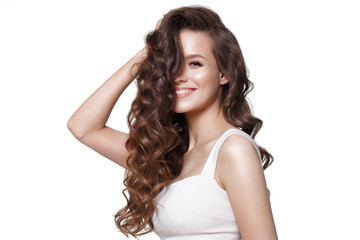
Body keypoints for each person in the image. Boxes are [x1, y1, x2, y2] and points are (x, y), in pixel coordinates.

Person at [67, 5, 278, 240]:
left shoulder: (233, 149)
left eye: (195, 63)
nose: (178, 75)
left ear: (224, 74)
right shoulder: (166, 155)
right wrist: (149, 52)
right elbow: (83, 126)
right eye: (172, 62)